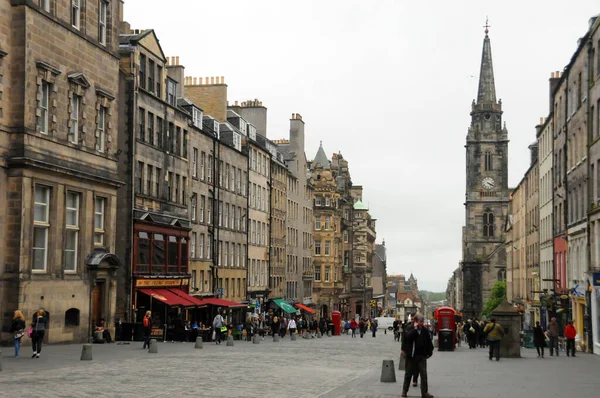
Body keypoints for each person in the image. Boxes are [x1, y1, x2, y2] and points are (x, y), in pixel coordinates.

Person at [401, 313, 434, 398]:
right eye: (420, 321)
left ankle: (424, 393)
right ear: (415, 321)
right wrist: (415, 329)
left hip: (421, 356)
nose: (422, 323)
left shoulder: (425, 330)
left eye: (423, 321)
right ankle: (404, 391)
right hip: (411, 356)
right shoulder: (409, 328)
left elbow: (429, 342)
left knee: (424, 375)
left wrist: (429, 352)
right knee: (408, 374)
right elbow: (406, 339)